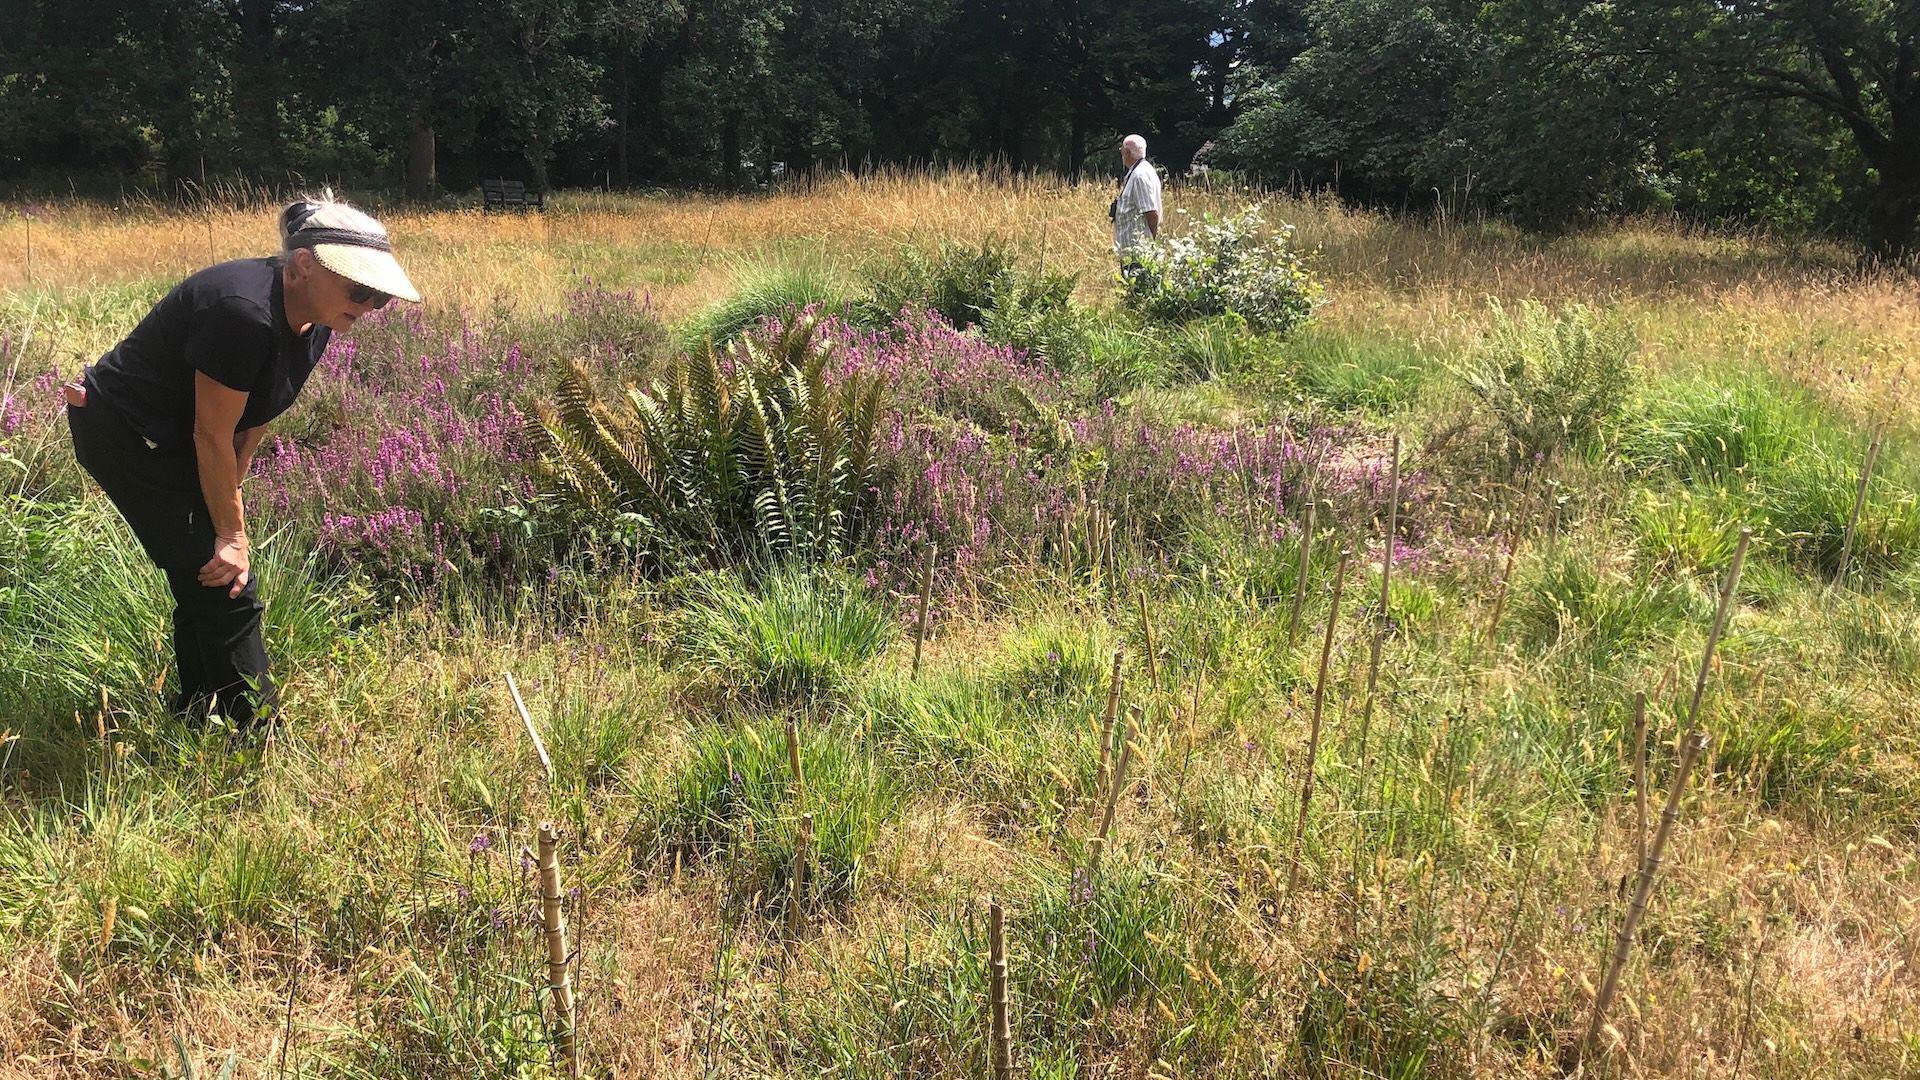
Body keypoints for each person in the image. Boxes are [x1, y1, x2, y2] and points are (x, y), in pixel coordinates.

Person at [63, 192, 420, 730]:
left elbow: (260, 406)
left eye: (380, 299)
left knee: (201, 572)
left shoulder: (317, 320)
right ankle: (252, 734)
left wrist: (235, 482)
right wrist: (231, 532)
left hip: (185, 433)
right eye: (360, 289)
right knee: (226, 577)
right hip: (129, 435)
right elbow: (210, 432)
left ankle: (195, 716)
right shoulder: (243, 314)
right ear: (304, 265)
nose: (369, 307)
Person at [1110, 134, 1163, 264]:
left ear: (1127, 152)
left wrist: (1151, 245)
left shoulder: (1140, 176)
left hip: (1138, 254)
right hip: (1134, 252)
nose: (1121, 153)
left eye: (1122, 150)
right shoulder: (1140, 171)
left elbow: (1151, 213)